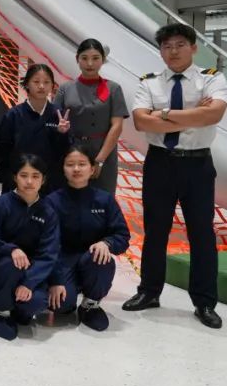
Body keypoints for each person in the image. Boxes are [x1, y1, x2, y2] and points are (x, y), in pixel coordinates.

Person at [124, 23, 227, 329]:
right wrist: (193, 115)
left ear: (194, 47)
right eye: (167, 46)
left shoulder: (212, 78)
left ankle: (204, 302)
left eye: (180, 45)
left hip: (198, 165)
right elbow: (142, 123)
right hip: (160, 164)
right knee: (155, 231)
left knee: (202, 234)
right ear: (160, 51)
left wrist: (164, 114)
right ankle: (149, 291)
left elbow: (214, 114)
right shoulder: (149, 82)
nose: (173, 51)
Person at [45, 146, 129, 331]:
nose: (76, 169)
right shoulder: (52, 201)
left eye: (82, 164)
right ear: (63, 169)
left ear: (92, 169)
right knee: (61, 306)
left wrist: (107, 243)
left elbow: (122, 235)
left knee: (101, 258)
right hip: (63, 260)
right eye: (70, 164)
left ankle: (91, 304)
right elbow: (46, 244)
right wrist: (55, 280)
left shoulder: (105, 200)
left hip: (92, 259)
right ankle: (69, 291)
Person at [0, 154, 60, 341]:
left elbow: (48, 254)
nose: (29, 181)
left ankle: (19, 310)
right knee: (12, 263)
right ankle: (1, 311)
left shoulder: (48, 212)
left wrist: (29, 282)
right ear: (15, 177)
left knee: (38, 302)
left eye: (35, 176)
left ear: (43, 180)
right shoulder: (0, 205)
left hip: (32, 272)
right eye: (24, 175)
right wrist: (10, 249)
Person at [56, 39, 129, 195]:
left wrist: (100, 160)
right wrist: (60, 128)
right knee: (71, 200)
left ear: (103, 60)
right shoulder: (65, 89)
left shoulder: (113, 89)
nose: (90, 63)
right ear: (77, 59)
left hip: (103, 152)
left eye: (95, 58)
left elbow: (117, 126)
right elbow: (55, 120)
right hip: (72, 152)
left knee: (102, 200)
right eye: (84, 58)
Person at [0, 64, 72, 195]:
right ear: (27, 84)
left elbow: (65, 153)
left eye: (46, 82)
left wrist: (62, 134)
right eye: (36, 82)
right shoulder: (13, 115)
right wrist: (12, 177)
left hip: (50, 184)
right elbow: (2, 151)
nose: (41, 86)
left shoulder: (59, 116)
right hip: (19, 183)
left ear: (52, 86)